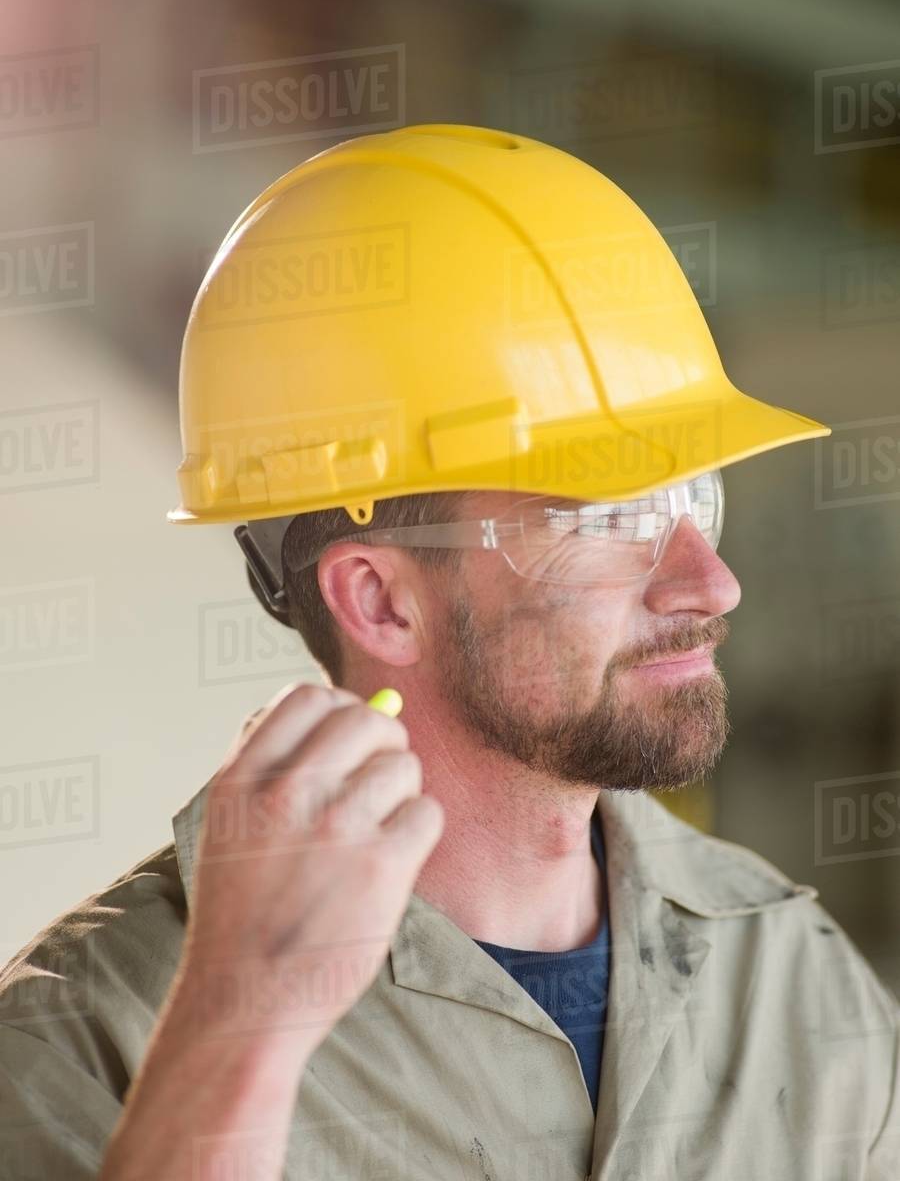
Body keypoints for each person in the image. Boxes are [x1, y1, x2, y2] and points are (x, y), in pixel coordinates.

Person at [1, 124, 897, 1181]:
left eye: (693, 496)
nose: (710, 582)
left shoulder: (793, 972)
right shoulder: (85, 1044)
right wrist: (239, 1034)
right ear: (381, 601)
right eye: (603, 519)